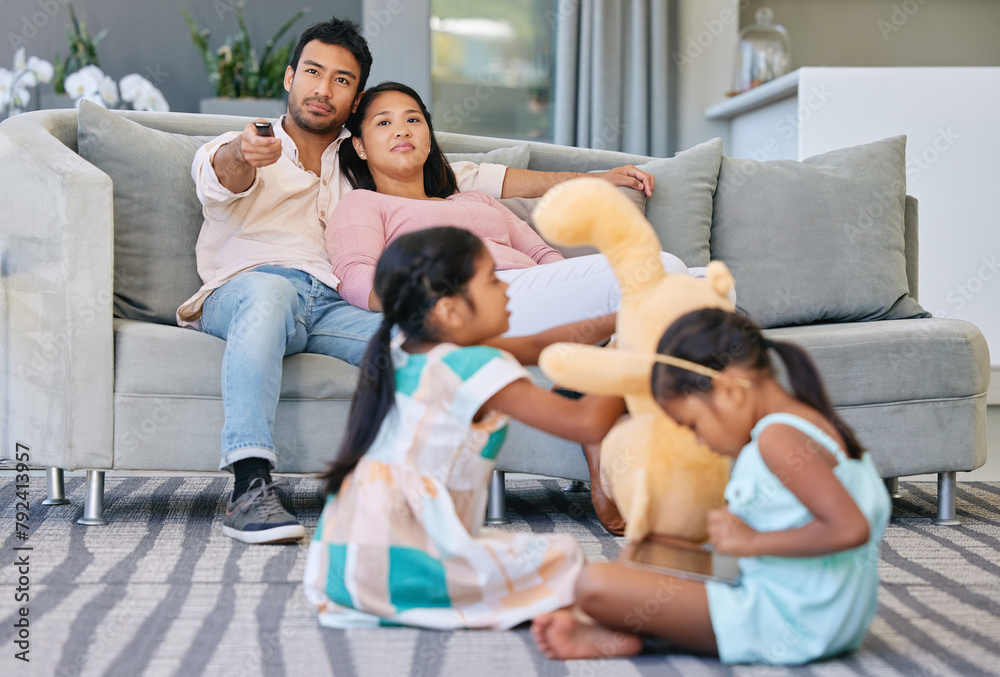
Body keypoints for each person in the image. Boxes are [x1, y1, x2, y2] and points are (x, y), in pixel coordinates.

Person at [176, 16, 656, 544]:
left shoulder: (360, 160)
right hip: (251, 288)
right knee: (269, 296)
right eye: (313, 72)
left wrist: (592, 177)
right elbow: (225, 173)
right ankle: (249, 487)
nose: (323, 88)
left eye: (342, 79)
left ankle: (433, 492)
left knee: (432, 345)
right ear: (290, 78)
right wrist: (245, 154)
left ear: (354, 99)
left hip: (337, 304)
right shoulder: (241, 146)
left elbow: (485, 180)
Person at [302, 226, 626, 629]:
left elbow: (537, 343)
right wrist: (629, 352)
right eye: (493, 280)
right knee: (566, 558)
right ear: (450, 311)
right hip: (403, 561)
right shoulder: (473, 366)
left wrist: (623, 318)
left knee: (527, 554)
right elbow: (586, 422)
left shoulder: (411, 349)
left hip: (344, 566)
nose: (508, 289)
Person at [531, 308, 892, 664]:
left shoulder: (778, 439)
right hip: (809, 603)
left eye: (693, 424)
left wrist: (751, 542)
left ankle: (640, 638)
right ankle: (634, 630)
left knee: (595, 583)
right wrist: (739, 542)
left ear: (730, 391)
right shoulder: (803, 422)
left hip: (792, 620)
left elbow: (849, 528)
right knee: (645, 552)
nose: (700, 441)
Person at [328, 81, 696, 336]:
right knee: (666, 269)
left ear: (428, 135)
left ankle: (602, 360)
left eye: (413, 120)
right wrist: (429, 305)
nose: (402, 130)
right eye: (384, 122)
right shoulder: (361, 203)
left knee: (703, 283)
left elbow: (540, 253)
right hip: (468, 302)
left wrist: (577, 283)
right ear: (359, 147)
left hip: (532, 292)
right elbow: (355, 275)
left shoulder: (475, 199)